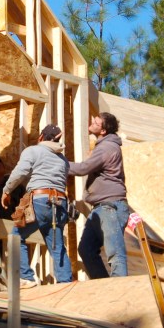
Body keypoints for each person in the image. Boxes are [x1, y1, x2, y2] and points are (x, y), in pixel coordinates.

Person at [1, 125, 72, 287]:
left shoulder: (33, 151)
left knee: (16, 237)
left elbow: (20, 172)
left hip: (40, 200)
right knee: (57, 244)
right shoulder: (63, 160)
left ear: (41, 137)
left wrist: (6, 190)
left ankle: (26, 277)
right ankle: (65, 282)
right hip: (59, 203)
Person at [68, 112, 130, 278]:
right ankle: (105, 285)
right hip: (101, 207)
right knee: (86, 249)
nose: (92, 122)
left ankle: (120, 287)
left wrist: (58, 164)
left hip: (110, 206)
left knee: (115, 252)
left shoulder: (106, 147)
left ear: (103, 131)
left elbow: (83, 168)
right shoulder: (105, 145)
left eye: (96, 122)